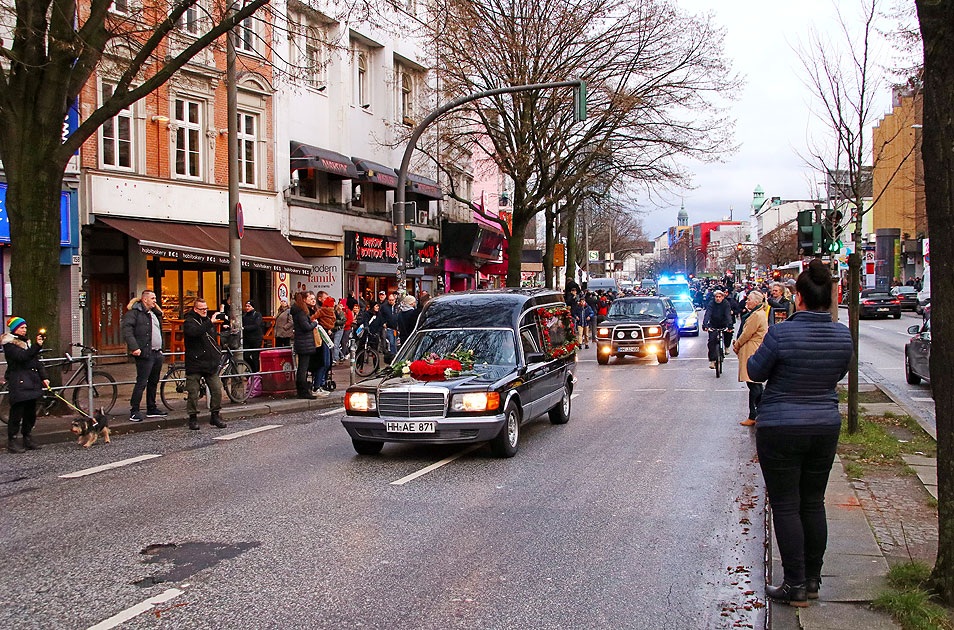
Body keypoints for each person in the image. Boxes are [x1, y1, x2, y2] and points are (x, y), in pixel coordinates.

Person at [747, 259, 853, 607]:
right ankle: (813, 579)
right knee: (813, 502)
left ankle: (794, 585)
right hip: (824, 425)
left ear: (800, 299)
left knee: (786, 505)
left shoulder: (782, 332)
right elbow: (838, 373)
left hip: (781, 426)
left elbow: (756, 370)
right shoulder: (842, 334)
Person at [2, 318, 49, 452]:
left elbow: (36, 361)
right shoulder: (9, 344)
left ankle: (27, 437)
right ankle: (12, 440)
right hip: (19, 381)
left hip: (32, 381)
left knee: (30, 413)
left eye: (25, 328)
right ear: (15, 329)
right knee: (17, 413)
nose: (25, 330)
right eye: (22, 328)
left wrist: (44, 377)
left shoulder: (27, 343)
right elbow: (22, 357)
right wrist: (36, 346)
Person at [121, 290, 167, 421]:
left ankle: (151, 408)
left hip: (156, 352)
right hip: (145, 353)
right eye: (152, 298)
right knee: (142, 382)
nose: (155, 301)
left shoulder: (153, 314)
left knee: (153, 381)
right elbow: (127, 331)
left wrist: (160, 348)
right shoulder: (134, 314)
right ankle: (134, 410)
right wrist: (134, 347)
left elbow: (157, 330)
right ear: (144, 300)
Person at [182, 300, 227, 430]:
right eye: (202, 309)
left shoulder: (206, 320)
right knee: (193, 392)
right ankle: (193, 418)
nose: (205, 311)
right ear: (195, 309)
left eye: (206, 308)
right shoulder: (189, 322)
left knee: (217, 389)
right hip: (195, 362)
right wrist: (210, 322)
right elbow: (195, 332)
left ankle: (215, 415)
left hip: (209, 362)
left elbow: (211, 338)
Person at [733, 290, 768, 427]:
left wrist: (738, 344)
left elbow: (747, 333)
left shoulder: (755, 315)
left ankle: (753, 414)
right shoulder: (758, 313)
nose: (746, 302)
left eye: (749, 300)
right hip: (754, 348)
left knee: (752, 383)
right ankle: (760, 412)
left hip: (751, 349)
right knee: (755, 383)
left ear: (756, 302)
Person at [291, 291, 320, 399]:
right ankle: (303, 391)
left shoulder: (299, 311)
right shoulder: (301, 312)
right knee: (303, 368)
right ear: (303, 299)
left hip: (303, 342)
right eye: (309, 298)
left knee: (303, 367)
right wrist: (314, 323)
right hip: (304, 343)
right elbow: (306, 327)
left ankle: (303, 389)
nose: (311, 300)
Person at [703, 289, 733, 369]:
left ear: (723, 297)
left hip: (723, 323)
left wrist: (730, 325)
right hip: (713, 324)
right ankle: (712, 360)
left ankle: (726, 346)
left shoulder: (726, 303)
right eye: (716, 297)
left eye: (720, 297)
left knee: (729, 333)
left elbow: (728, 314)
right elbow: (708, 313)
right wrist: (705, 324)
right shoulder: (711, 303)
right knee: (711, 341)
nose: (718, 298)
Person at [313, 297, 336, 393]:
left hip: (321, 335)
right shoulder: (331, 312)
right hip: (325, 335)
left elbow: (313, 318)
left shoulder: (321, 311)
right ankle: (321, 382)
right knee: (326, 362)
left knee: (324, 361)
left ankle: (320, 382)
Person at [242, 301, 264, 373]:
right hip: (247, 339)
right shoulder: (244, 316)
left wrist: (245, 328)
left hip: (256, 339)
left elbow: (256, 325)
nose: (247, 308)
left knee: (255, 357)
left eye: (249, 306)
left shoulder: (257, 315)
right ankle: (252, 369)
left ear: (253, 307)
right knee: (246, 356)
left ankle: (255, 373)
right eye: (246, 306)